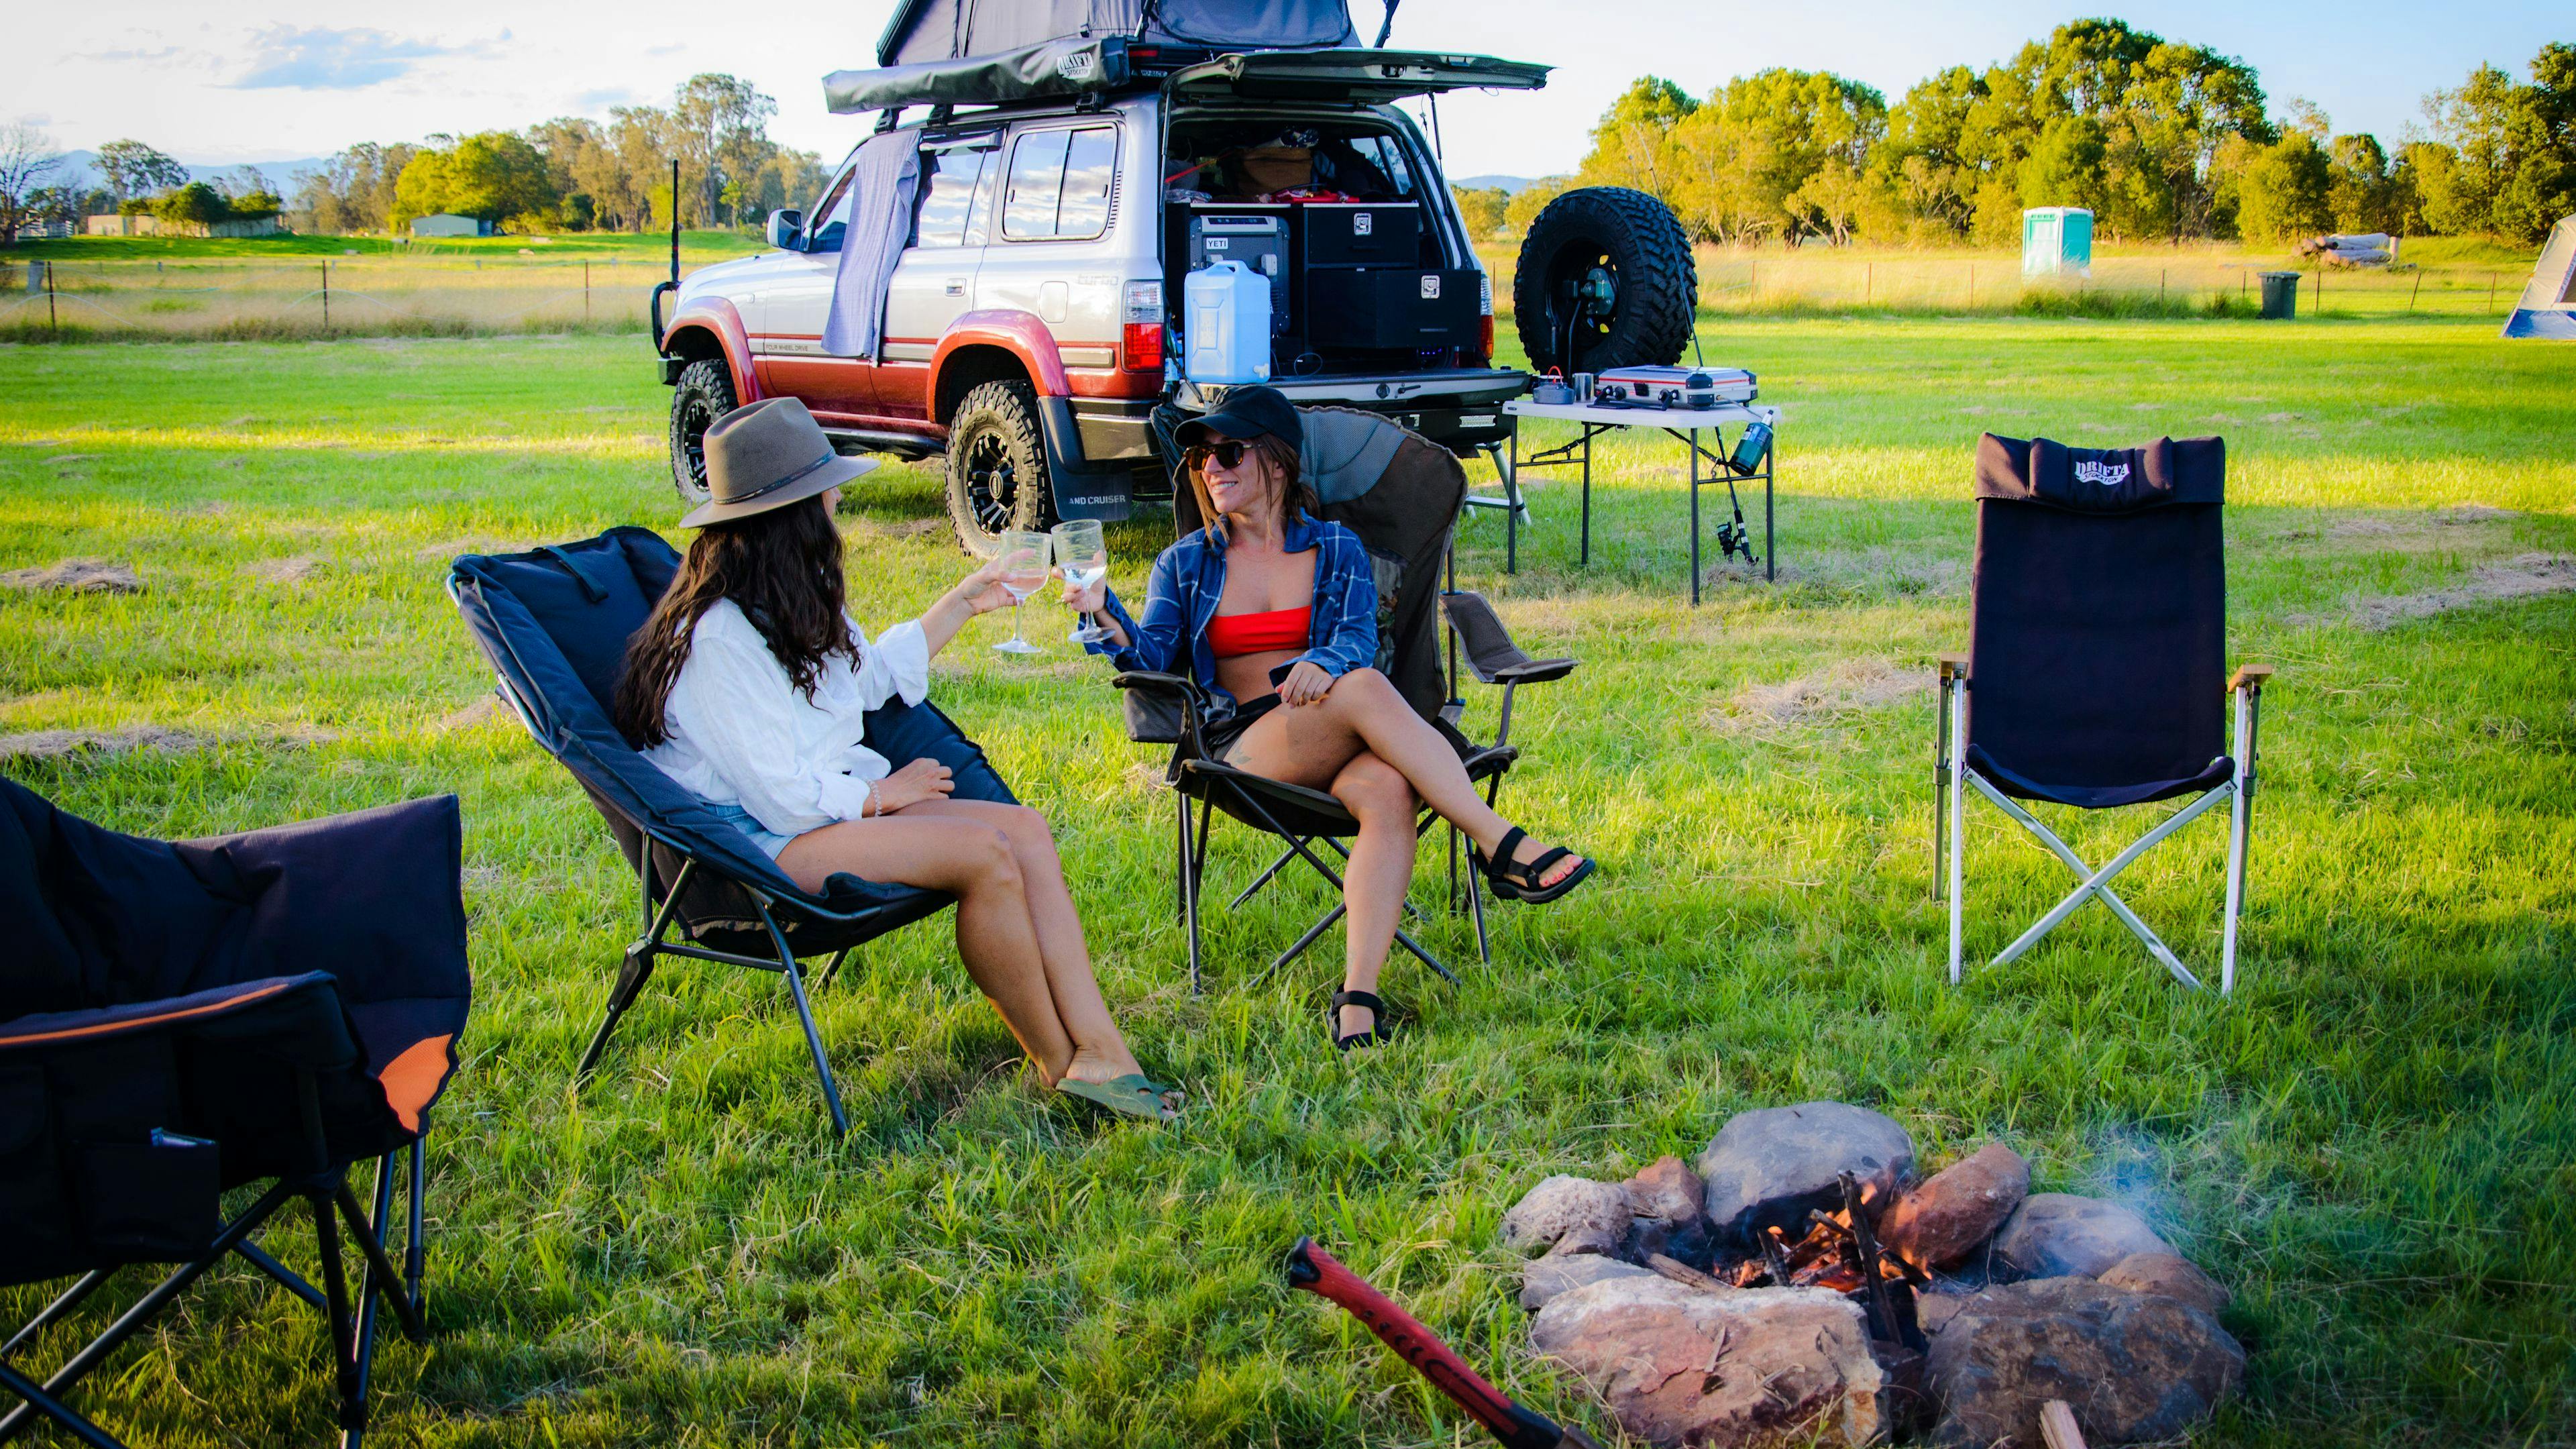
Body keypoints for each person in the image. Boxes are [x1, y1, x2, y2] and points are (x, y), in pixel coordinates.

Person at [616, 398, 1175, 1122]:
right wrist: (889, 796)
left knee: (1026, 829)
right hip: (753, 849)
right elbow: (781, 800)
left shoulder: (785, 598)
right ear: (790, 514)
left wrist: (964, 602)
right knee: (985, 854)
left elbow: (867, 680)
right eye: (827, 489)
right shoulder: (719, 640)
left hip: (811, 818)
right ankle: (1061, 1068)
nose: (839, 498)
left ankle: (1106, 1051)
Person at [1063, 388, 1594, 1051]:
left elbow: (1352, 639)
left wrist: (1325, 664)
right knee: (1364, 684)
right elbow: (1155, 660)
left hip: (1341, 729)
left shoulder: (1336, 548)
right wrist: (1103, 611)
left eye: (1230, 451)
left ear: (1279, 465)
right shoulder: (1187, 562)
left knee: (1389, 788)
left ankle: (1358, 1005)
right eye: (1203, 457)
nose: (1212, 467)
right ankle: (1501, 844)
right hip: (1243, 748)